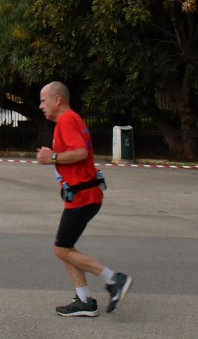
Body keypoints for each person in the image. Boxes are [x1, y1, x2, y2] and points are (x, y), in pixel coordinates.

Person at [36, 81, 132, 317]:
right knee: (66, 248)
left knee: (61, 250)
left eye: (43, 100)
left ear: (57, 100)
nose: (40, 106)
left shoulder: (66, 120)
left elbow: (79, 152)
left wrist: (52, 157)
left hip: (83, 196)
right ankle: (84, 300)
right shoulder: (72, 119)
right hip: (84, 194)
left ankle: (114, 280)